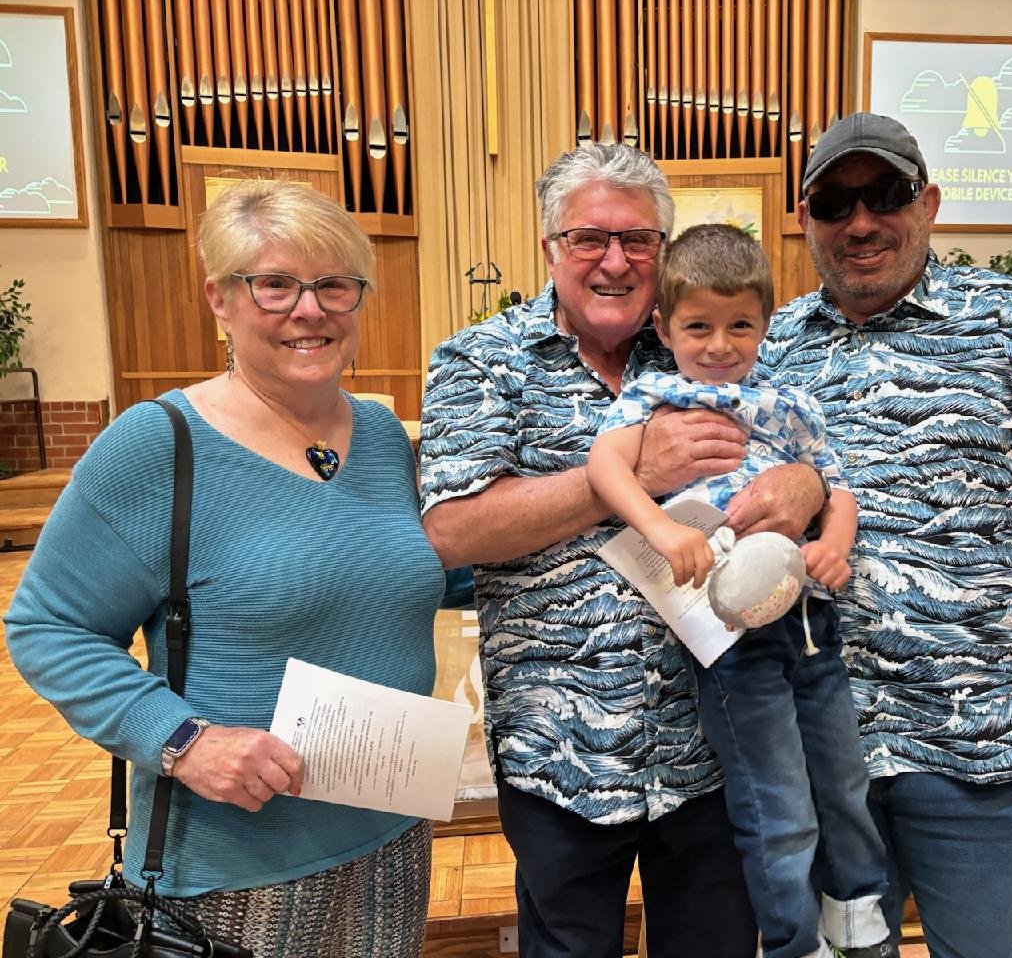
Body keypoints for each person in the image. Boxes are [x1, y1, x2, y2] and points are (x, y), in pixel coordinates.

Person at [5, 179, 444, 958]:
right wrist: (182, 740)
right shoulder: (156, 445)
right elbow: (47, 627)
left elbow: (409, 571)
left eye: (333, 285)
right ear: (219, 298)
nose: (308, 310)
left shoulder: (381, 433)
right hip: (235, 862)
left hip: (390, 833)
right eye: (274, 284)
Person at [418, 143, 826, 958]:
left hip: (713, 741)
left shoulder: (704, 347)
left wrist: (807, 489)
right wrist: (628, 472)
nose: (614, 260)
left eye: (638, 239)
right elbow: (454, 530)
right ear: (550, 250)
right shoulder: (481, 361)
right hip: (558, 750)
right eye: (588, 239)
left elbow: (805, 457)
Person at [760, 112, 1012, 957]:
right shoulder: (768, 348)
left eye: (884, 194)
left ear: (927, 202)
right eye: (834, 202)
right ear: (807, 218)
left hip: (980, 740)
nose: (860, 222)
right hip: (817, 749)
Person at [586, 223, 894, 958]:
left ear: (766, 323)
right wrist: (664, 534)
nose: (719, 345)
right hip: (728, 637)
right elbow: (605, 467)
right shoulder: (653, 397)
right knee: (779, 803)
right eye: (698, 326)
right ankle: (793, 942)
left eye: (739, 326)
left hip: (813, 628)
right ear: (663, 326)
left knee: (845, 780)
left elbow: (839, 488)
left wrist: (832, 545)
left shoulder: (790, 403)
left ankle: (854, 906)